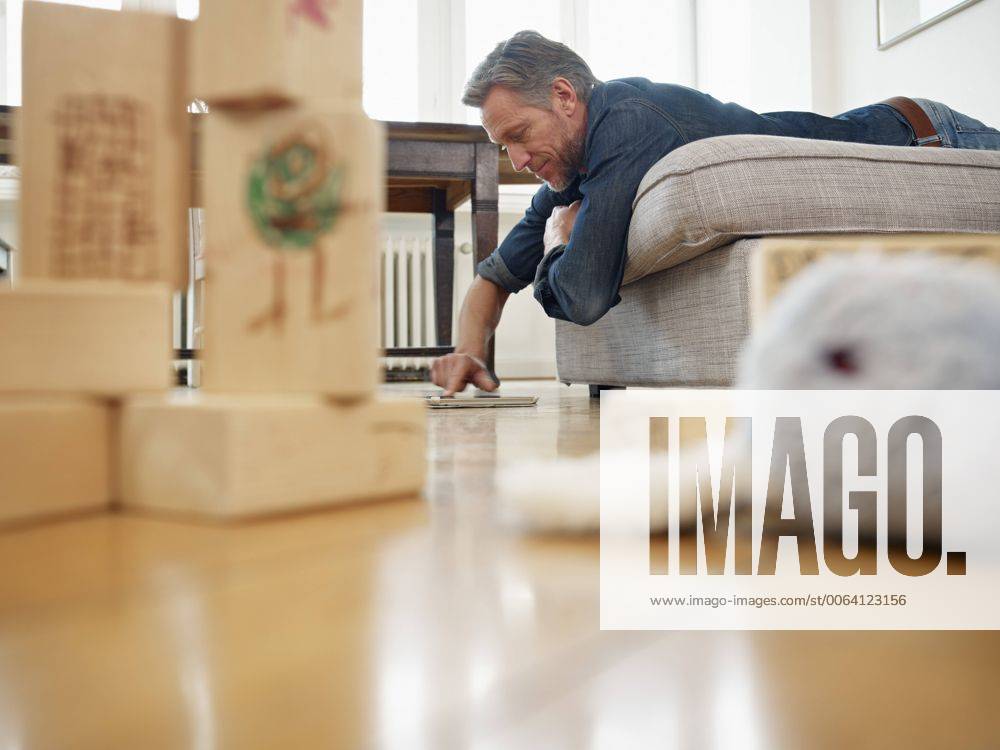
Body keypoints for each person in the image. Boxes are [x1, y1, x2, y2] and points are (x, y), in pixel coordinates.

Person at [430, 30, 1000, 396]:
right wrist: (468, 353)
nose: (518, 159)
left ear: (563, 96)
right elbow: (490, 279)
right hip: (907, 127)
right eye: (505, 147)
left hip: (931, 138)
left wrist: (558, 242)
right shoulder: (568, 171)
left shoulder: (627, 122)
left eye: (519, 136)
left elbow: (583, 293)